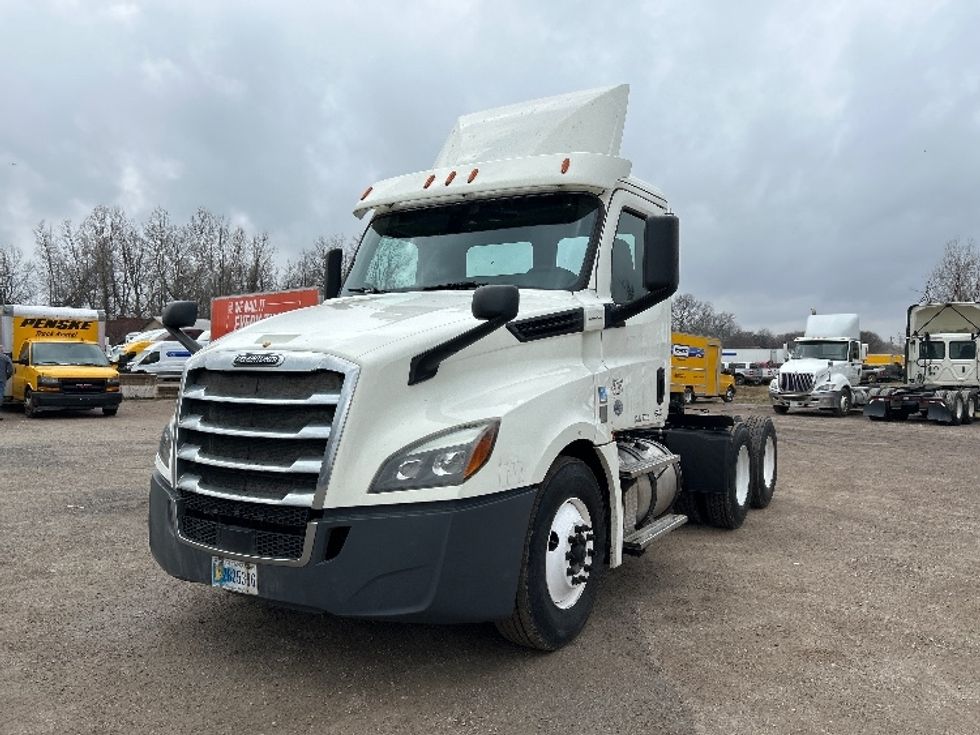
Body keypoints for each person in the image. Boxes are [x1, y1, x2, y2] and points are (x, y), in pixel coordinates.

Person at [0, 351, 12, 421]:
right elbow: (10, 370)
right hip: (2, 379)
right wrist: (6, 377)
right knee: (0, 395)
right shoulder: (5, 358)